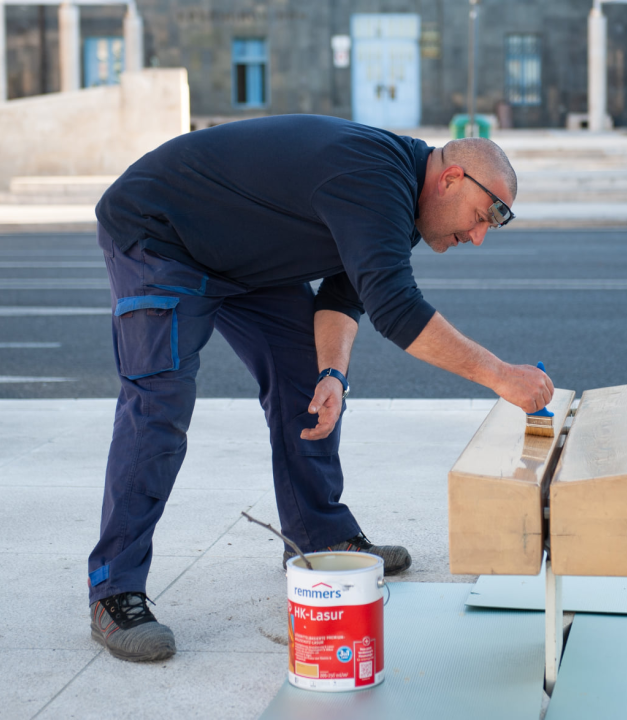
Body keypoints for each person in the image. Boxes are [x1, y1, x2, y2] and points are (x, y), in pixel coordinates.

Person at [87, 115, 554, 663]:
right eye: (481, 217)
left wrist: (331, 373)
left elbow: (344, 292)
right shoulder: (375, 180)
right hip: (161, 234)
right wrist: (501, 375)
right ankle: (114, 590)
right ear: (451, 178)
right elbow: (396, 310)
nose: (477, 236)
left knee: (305, 381)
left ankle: (320, 536)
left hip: (243, 258)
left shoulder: (403, 201)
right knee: (159, 404)